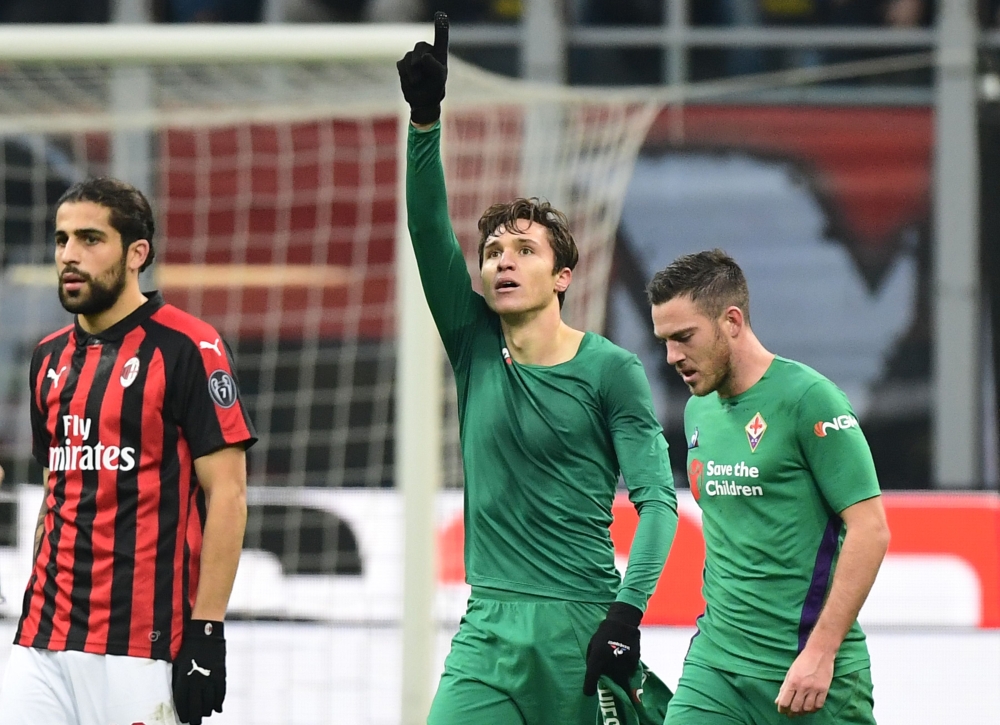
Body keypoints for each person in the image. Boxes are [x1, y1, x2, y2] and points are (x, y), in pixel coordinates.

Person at [397, 14, 678, 725]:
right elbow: (430, 232)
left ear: (563, 276)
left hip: (583, 626)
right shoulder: (471, 341)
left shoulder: (611, 369)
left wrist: (626, 614)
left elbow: (657, 502)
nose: (502, 259)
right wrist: (425, 123)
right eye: (493, 250)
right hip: (488, 629)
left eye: (522, 248)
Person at [0, 177, 257, 725]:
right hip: (43, 638)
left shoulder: (191, 346)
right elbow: (57, 492)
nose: (69, 255)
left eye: (90, 239)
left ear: (137, 253)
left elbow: (229, 497)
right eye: (61, 239)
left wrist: (207, 630)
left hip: (142, 645)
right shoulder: (46, 359)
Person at [646, 249, 890, 725]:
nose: (673, 356)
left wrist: (820, 654)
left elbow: (871, 530)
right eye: (664, 342)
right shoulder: (699, 409)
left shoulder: (809, 399)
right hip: (717, 668)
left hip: (808, 672)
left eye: (684, 337)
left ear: (732, 321)